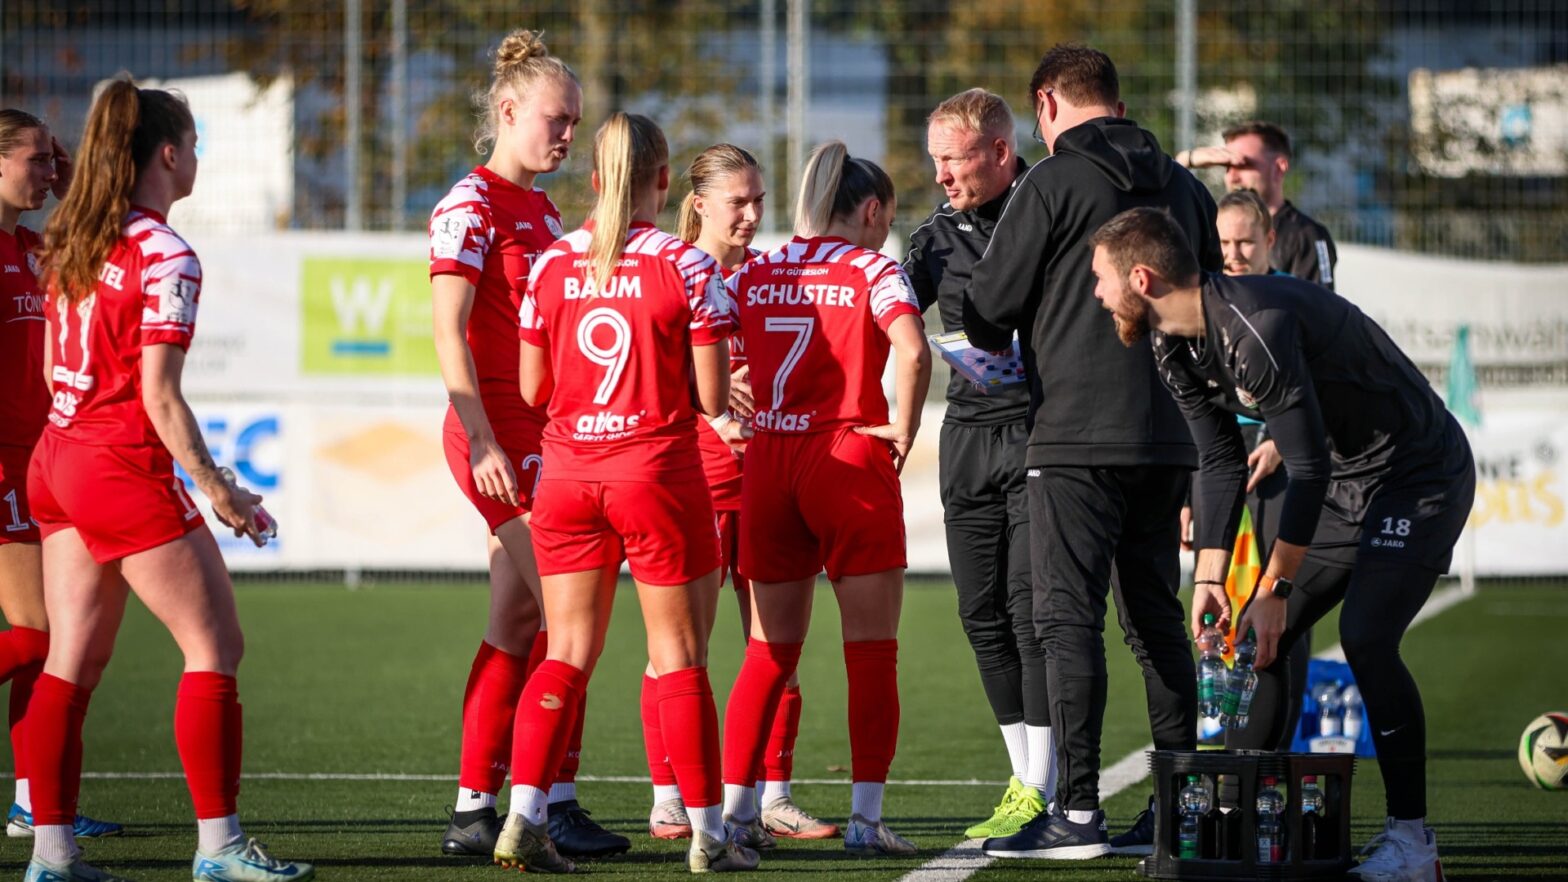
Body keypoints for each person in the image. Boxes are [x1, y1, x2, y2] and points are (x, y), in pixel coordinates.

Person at [1088, 205, 1475, 882]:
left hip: (1420, 474)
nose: (1094, 294)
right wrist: (1211, 579)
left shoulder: (1254, 324)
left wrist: (1275, 586)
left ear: (1141, 278)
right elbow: (1217, 461)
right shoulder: (1169, 340)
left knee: (1365, 635)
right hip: (1348, 481)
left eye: (1100, 279)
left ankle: (1413, 843)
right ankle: (1237, 825)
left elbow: (1309, 467)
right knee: (1254, 635)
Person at [24, 77, 313, 882]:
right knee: (215, 645)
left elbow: (56, 368)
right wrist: (221, 491)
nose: (197, 160)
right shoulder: (164, 253)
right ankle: (220, 848)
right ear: (171, 154)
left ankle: (52, 856)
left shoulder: (74, 237)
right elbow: (158, 395)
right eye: (195, 145)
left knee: (70, 663)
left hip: (60, 456)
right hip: (116, 462)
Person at [960, 44, 1220, 859]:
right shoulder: (1184, 183)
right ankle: (1179, 807)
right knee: (1155, 619)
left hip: (1073, 431)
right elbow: (1211, 297)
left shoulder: (1050, 180)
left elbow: (986, 309)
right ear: (1117, 97)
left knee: (1065, 617)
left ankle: (1075, 813)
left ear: (1045, 105)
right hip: (1171, 429)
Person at [501, 111, 757, 875]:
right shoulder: (687, 267)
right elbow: (714, 399)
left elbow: (531, 386)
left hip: (568, 476)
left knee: (566, 654)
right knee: (679, 658)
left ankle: (521, 818)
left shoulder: (550, 264)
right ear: (660, 181)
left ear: (591, 179)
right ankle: (710, 836)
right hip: (655, 473)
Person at [428, 30, 625, 861]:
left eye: (576, 122)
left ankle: (478, 809)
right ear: (507, 113)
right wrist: (481, 440)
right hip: (497, 437)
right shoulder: (468, 206)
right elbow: (447, 331)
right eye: (557, 118)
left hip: (541, 435)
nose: (568, 134)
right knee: (566, 618)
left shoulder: (542, 211)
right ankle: (550, 803)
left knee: (520, 618)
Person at [720, 140, 932, 857]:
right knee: (871, 654)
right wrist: (902, 426)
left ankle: (735, 815)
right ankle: (866, 822)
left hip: (768, 464)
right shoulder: (874, 267)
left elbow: (710, 344)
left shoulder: (760, 267)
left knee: (765, 654)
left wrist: (722, 403)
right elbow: (912, 348)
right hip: (844, 458)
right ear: (871, 211)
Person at [639, 143, 837, 845]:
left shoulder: (768, 277)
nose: (753, 215)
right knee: (675, 654)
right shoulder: (661, 270)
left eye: (759, 201)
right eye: (738, 202)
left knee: (775, 650)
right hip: (686, 481)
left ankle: (768, 796)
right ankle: (670, 798)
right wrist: (708, 400)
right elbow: (643, 378)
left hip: (766, 486)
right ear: (698, 205)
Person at [902, 88, 1053, 838]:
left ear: (999, 151)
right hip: (968, 436)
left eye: (952, 159)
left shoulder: (1054, 207)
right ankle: (1023, 780)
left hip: (1043, 435)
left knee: (1032, 612)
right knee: (980, 613)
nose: (940, 176)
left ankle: (1045, 786)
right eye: (933, 161)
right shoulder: (931, 239)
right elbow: (890, 331)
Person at [0, 109, 124, 845]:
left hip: (37, 462)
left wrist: (71, 169)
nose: (49, 172)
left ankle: (32, 799)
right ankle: (38, 802)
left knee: (52, 637)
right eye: (36, 159)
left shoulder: (33, 246)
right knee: (42, 637)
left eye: (55, 160)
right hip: (2, 464)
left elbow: (99, 229)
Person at [1177, 121, 1337, 289]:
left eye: (1243, 165)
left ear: (1279, 168)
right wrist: (1185, 161)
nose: (1232, 177)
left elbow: (1318, 307)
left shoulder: (1307, 235)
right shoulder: (1212, 225)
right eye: (1226, 167)